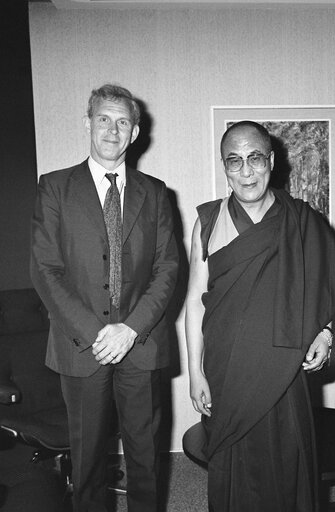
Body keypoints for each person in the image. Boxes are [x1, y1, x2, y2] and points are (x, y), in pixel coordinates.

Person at [30, 84, 179, 512]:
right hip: (82, 347)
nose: (112, 130)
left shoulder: (156, 193)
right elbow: (45, 269)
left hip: (142, 343)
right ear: (88, 124)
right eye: (103, 119)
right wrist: (99, 333)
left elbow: (168, 268)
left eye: (122, 122)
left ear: (135, 133)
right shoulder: (55, 188)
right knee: (89, 461)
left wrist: (130, 329)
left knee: (147, 458)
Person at [185, 120, 335, 511]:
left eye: (254, 158)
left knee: (288, 460)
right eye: (234, 161)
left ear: (271, 161)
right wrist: (195, 370)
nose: (245, 171)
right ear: (224, 167)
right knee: (234, 464)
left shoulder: (302, 220)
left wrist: (324, 332)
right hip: (229, 368)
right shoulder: (208, 222)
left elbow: (325, 282)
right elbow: (194, 300)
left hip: (284, 365)